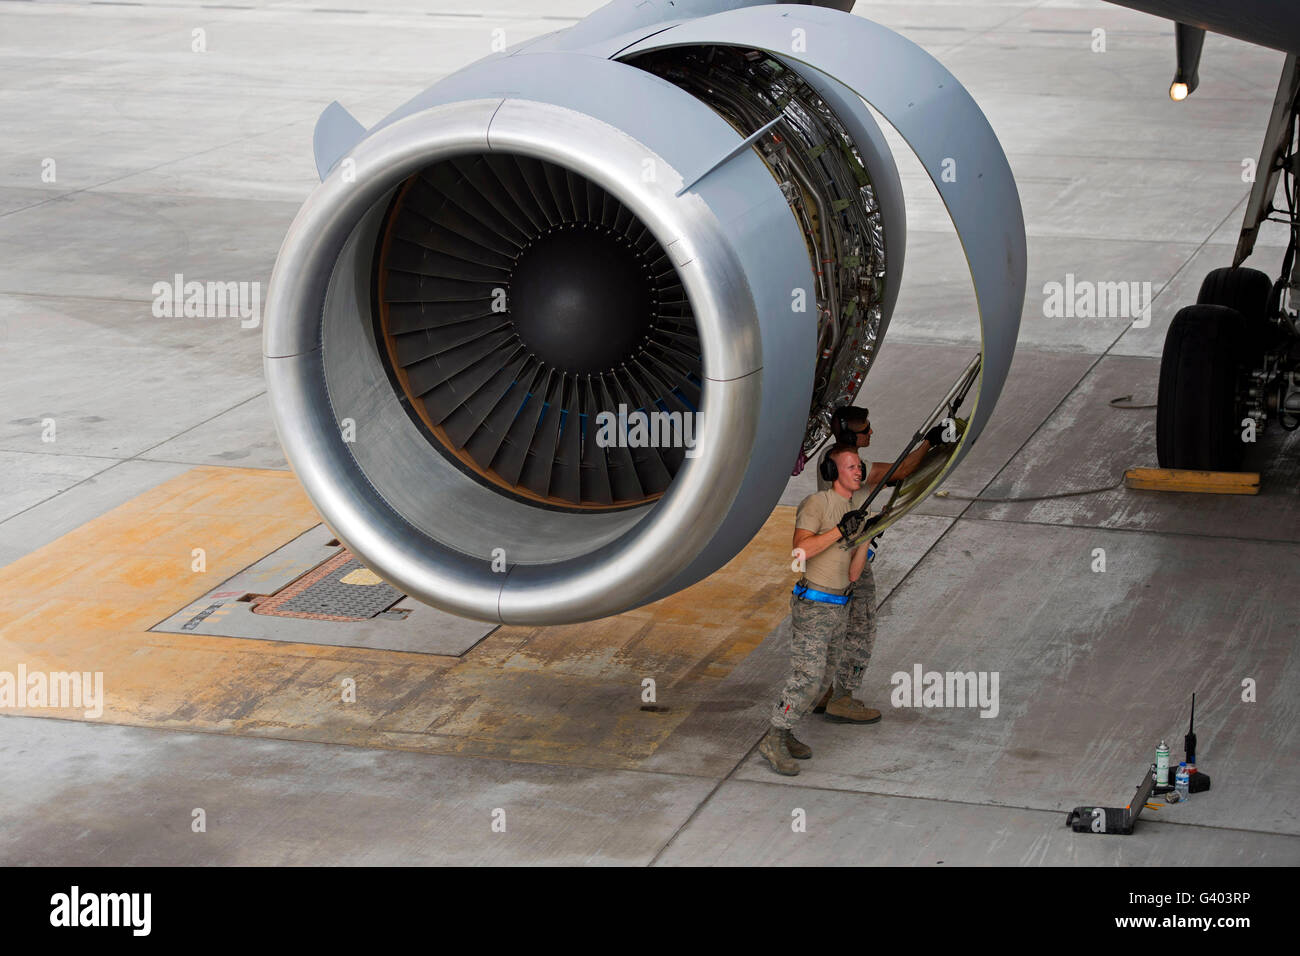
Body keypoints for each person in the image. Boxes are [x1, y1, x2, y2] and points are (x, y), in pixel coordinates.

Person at [760, 422, 944, 776]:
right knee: (808, 677)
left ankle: (787, 731)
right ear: (833, 472)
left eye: (860, 467)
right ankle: (775, 736)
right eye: (852, 467)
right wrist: (839, 531)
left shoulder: (857, 509)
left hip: (839, 606)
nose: (860, 470)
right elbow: (799, 553)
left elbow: (856, 575)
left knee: (821, 678)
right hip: (814, 606)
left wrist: (866, 537)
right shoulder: (817, 504)